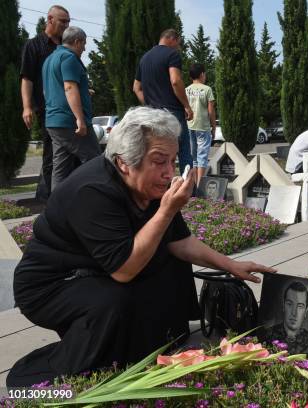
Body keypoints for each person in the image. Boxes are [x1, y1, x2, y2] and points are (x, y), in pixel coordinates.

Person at [7, 107, 275, 387]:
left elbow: (180, 243)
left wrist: (232, 265)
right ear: (124, 163)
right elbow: (124, 270)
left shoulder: (149, 187)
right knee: (113, 301)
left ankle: (160, 339)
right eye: (159, 161)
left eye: (172, 161)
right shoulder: (93, 190)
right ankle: (75, 366)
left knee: (169, 259)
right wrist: (166, 211)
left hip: (97, 268)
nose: (169, 172)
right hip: (51, 284)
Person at [20, 5, 71, 201]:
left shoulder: (65, 45)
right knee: (52, 154)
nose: (66, 25)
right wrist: (27, 106)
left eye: (68, 21)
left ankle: (59, 195)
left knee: (65, 155)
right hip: (47, 109)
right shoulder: (34, 45)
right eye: (63, 21)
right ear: (50, 20)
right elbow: (27, 78)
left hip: (69, 109)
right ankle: (46, 198)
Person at [42, 26, 100, 191]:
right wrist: (80, 119)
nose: (84, 48)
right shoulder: (69, 58)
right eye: (84, 44)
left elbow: (51, 89)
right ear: (77, 41)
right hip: (70, 122)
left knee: (61, 168)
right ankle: (95, 202)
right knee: (95, 162)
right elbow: (69, 87)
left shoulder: (50, 59)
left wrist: (84, 91)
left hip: (54, 121)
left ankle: (56, 210)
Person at [133, 29, 193, 175]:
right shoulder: (172, 54)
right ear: (172, 39)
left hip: (153, 114)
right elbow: (175, 81)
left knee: (157, 151)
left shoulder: (145, 58)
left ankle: (158, 187)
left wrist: (149, 106)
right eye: (178, 43)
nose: (178, 47)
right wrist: (187, 106)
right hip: (173, 112)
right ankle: (189, 192)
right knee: (183, 151)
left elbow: (136, 88)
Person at [267, 281, 308, 355]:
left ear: (306, 310)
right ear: (283, 305)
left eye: (300, 306)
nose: (294, 313)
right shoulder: (267, 335)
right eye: (289, 304)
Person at [186, 63, 216, 185]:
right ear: (202, 74)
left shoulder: (186, 90)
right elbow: (210, 111)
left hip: (189, 126)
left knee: (194, 158)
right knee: (202, 156)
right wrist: (213, 126)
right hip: (203, 127)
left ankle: (193, 185)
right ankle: (199, 186)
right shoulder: (207, 89)